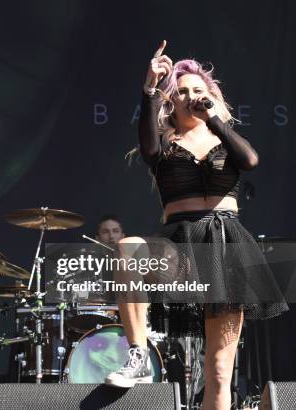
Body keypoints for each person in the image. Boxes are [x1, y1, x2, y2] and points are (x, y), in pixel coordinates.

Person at [104, 40, 287, 410]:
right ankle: (138, 354)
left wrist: (215, 119)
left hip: (227, 245)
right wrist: (150, 90)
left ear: (211, 97)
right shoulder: (165, 141)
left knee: (219, 372)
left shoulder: (224, 135)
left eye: (198, 91)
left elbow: (249, 160)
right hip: (181, 242)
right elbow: (149, 151)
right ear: (172, 100)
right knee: (129, 249)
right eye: (183, 91)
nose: (191, 96)